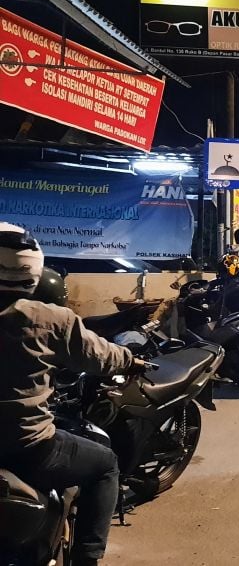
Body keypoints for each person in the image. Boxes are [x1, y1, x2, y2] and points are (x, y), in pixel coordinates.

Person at [0, 223, 147, 566]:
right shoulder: (49, 318)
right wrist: (133, 360)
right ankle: (87, 557)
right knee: (105, 465)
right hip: (28, 445)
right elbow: (101, 356)